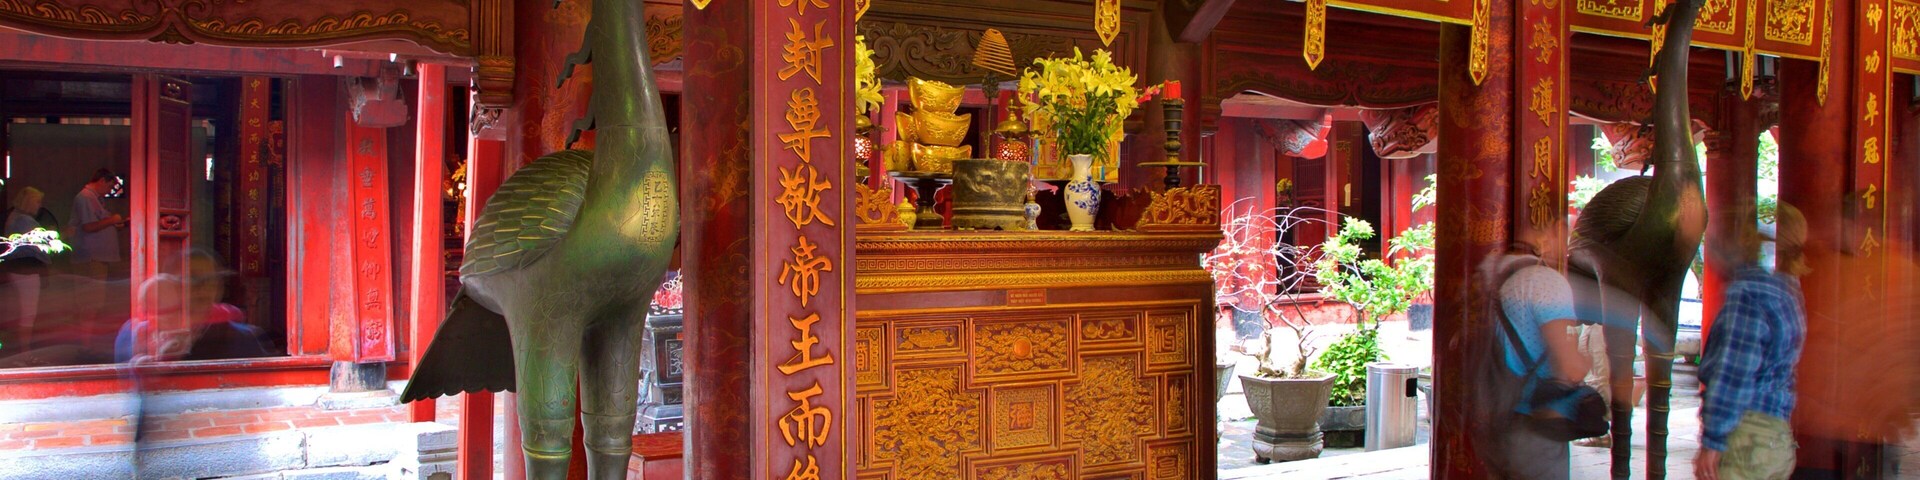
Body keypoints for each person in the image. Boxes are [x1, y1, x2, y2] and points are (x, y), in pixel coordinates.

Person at [1693, 204, 1807, 480]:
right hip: (1775, 434)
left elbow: (1735, 374)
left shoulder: (1749, 294)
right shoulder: (1787, 290)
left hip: (1746, 435)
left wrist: (1714, 440)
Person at [4, 186, 52, 349]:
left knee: (22, 311)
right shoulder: (26, 221)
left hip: (15, 269)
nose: (39, 205)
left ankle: (22, 349)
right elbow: (44, 245)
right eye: (38, 201)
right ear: (29, 202)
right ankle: (25, 352)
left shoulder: (13, 216)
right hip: (27, 270)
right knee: (28, 313)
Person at [69, 168, 127, 279]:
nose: (110, 191)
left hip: (97, 257)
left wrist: (115, 224)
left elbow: (99, 221)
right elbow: (88, 226)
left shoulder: (95, 198)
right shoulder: (85, 197)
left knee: (96, 293)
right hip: (90, 257)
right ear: (102, 181)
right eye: (109, 186)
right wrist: (112, 220)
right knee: (92, 294)